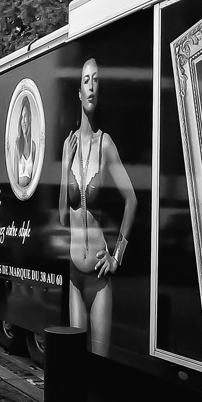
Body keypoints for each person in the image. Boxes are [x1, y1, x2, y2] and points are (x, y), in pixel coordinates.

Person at [59, 58, 137, 355]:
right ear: (79, 92)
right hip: (74, 276)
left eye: (96, 80)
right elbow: (63, 217)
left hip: (100, 279)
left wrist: (118, 255)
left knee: (100, 361)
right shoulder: (69, 146)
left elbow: (132, 200)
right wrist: (64, 165)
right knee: (75, 361)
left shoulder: (105, 144)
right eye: (86, 81)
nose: (91, 87)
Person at [13, 97, 37, 188]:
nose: (23, 122)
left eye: (25, 116)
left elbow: (34, 177)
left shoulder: (33, 146)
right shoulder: (17, 145)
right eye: (21, 117)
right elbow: (15, 179)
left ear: (30, 118)